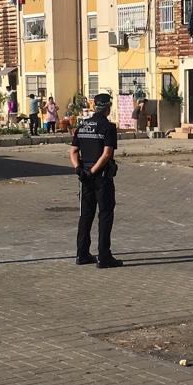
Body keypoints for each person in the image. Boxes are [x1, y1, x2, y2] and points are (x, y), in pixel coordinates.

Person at [69, 93, 122, 269]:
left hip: (84, 177)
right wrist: (93, 171)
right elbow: (107, 153)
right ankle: (104, 256)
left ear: (94, 107)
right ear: (108, 108)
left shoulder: (83, 125)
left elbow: (73, 151)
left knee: (86, 215)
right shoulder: (107, 127)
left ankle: (82, 253)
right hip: (101, 177)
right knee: (105, 215)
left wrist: (79, 169)